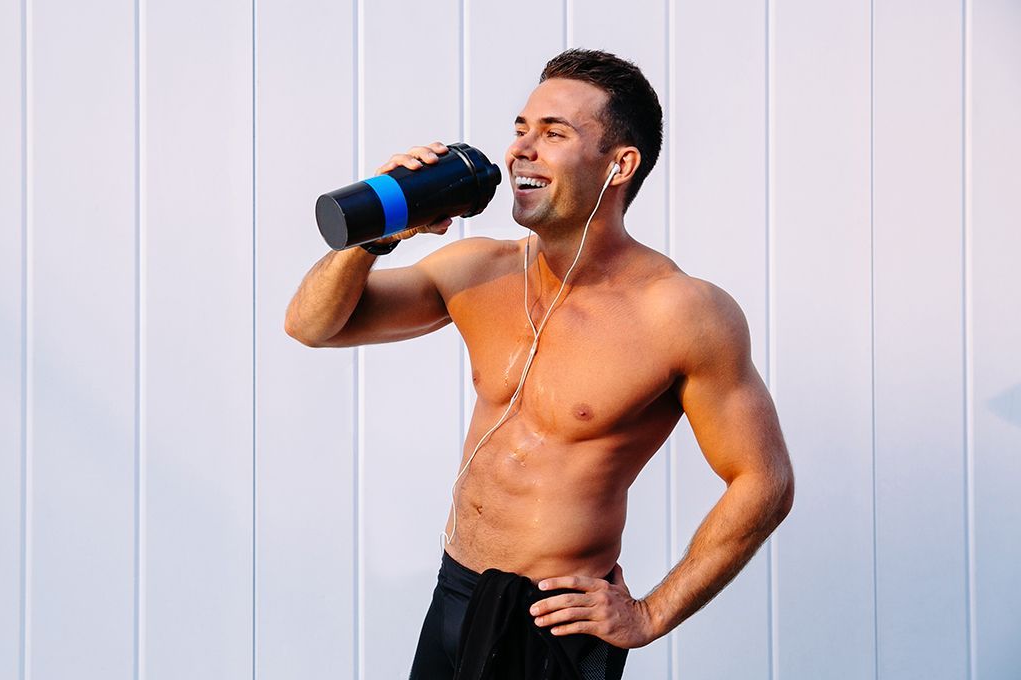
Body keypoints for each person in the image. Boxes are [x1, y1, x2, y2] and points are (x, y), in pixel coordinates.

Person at [284, 49, 794, 679]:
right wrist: (379, 230)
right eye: (521, 129)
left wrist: (652, 613)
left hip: (556, 623)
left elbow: (764, 481)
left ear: (619, 165)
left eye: (554, 133)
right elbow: (313, 325)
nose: (521, 149)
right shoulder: (477, 270)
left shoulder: (682, 313)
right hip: (455, 593)